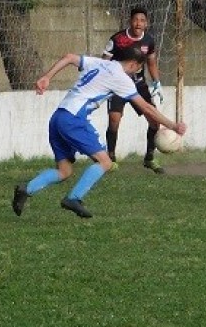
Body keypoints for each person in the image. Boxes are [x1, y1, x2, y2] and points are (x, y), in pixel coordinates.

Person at [11, 47, 186, 218]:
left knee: (64, 171)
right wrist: (172, 125)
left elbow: (69, 57)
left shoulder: (100, 63)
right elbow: (147, 108)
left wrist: (46, 77)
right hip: (74, 120)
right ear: (133, 64)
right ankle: (73, 198)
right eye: (138, 70)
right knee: (105, 162)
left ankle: (26, 189)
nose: (135, 74)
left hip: (58, 117)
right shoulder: (121, 78)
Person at [102, 6, 166, 173]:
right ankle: (110, 158)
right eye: (136, 20)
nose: (139, 23)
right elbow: (104, 62)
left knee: (154, 120)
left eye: (142, 20)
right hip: (117, 85)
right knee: (114, 120)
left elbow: (151, 63)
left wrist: (157, 83)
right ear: (130, 21)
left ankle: (150, 157)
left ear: (147, 23)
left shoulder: (149, 41)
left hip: (138, 84)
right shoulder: (118, 39)